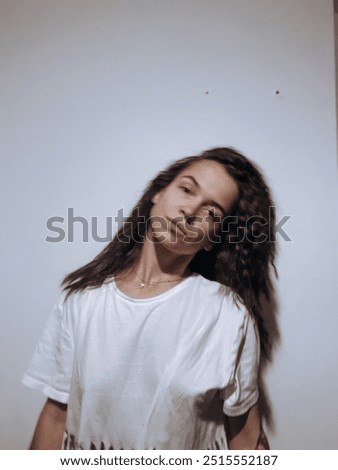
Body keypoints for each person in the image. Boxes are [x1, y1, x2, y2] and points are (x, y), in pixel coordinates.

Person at [23, 147, 276, 450]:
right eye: (186, 189)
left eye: (211, 213)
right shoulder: (81, 299)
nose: (190, 212)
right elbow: (55, 417)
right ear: (157, 193)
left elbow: (246, 438)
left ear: (213, 238)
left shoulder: (227, 316)